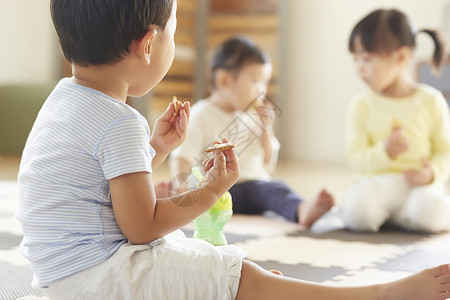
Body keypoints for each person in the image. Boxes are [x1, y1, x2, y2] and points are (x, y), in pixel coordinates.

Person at [15, 1, 450, 299]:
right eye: (173, 31)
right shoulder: (120, 120)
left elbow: (99, 188)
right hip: (98, 280)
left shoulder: (64, 100)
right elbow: (142, 228)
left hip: (61, 275)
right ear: (148, 45)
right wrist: (209, 191)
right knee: (230, 271)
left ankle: (257, 286)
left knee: (204, 254)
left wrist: (155, 148)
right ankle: (378, 293)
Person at [170, 36, 334, 228]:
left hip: (256, 188)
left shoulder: (253, 117)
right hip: (217, 188)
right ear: (224, 80)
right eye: (255, 81)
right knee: (198, 195)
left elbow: (268, 163)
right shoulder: (202, 114)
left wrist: (266, 130)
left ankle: (302, 210)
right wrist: (181, 188)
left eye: (264, 83)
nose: (261, 91)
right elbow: (182, 155)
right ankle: (171, 200)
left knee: (277, 189)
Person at [342, 8, 450, 233]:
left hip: (418, 187)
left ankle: (400, 215)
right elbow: (356, 157)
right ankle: (395, 216)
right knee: (356, 212)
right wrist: (385, 153)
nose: (359, 67)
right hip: (377, 184)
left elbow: (445, 151)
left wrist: (431, 174)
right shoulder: (361, 105)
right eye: (356, 59)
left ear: (401, 57)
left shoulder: (431, 100)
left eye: (367, 58)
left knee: (432, 214)